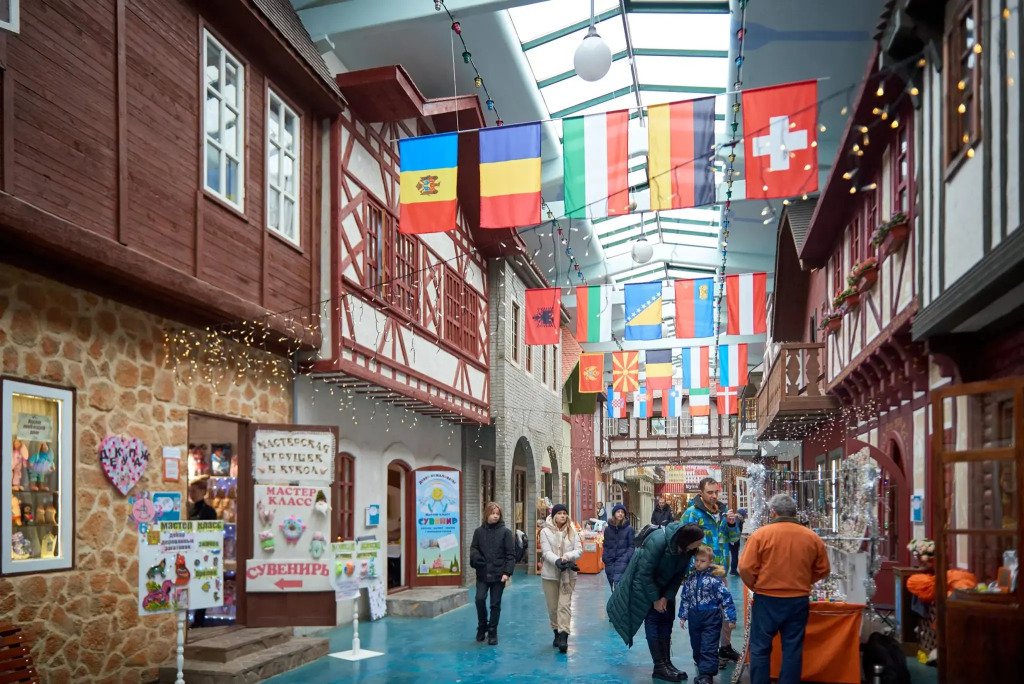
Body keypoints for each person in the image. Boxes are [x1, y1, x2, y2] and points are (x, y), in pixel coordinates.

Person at [739, 494, 830, 684]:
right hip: (798, 600)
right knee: (792, 649)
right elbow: (823, 569)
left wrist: (755, 585)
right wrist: (805, 581)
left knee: (760, 648)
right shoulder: (811, 537)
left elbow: (745, 568)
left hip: (767, 599)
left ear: (773, 512)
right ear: (794, 513)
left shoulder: (761, 535)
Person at [607, 521, 705, 682]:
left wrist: (666, 597)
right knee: (654, 621)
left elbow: (679, 576)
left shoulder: (688, 550)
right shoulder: (659, 541)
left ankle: (667, 663)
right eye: (698, 542)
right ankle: (659, 666)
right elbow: (644, 573)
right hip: (647, 587)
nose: (699, 545)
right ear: (688, 539)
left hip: (665, 589)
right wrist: (655, 599)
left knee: (666, 621)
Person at [681, 477, 741, 663]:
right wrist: (690, 571)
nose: (714, 496)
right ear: (701, 493)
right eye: (710, 492)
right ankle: (705, 655)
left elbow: (734, 538)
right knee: (706, 616)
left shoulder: (723, 512)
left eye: (716, 492)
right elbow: (682, 543)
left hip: (720, 571)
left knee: (724, 610)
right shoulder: (692, 514)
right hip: (700, 573)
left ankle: (725, 648)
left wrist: (731, 524)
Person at [678, 545, 738, 684]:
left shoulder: (715, 580)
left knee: (709, 646)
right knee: (696, 645)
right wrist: (683, 616)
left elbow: (726, 598)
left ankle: (706, 676)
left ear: (710, 562)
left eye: (703, 561)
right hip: (694, 617)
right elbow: (685, 597)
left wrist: (731, 618)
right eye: (696, 560)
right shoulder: (691, 579)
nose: (698, 563)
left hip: (711, 617)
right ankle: (702, 671)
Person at [469, 502, 516, 645]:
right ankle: (482, 626)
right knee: (479, 599)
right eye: (492, 513)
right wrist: (476, 558)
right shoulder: (478, 532)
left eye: (498, 514)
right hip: (482, 573)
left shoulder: (506, 532)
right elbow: (474, 548)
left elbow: (510, 554)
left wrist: (507, 572)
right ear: (486, 514)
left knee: (495, 604)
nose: (495, 516)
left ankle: (492, 631)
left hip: (499, 574)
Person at [540, 503, 583, 654]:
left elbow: (579, 550)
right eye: (559, 513)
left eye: (564, 513)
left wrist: (567, 557)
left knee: (564, 605)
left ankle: (564, 636)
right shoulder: (545, 531)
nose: (562, 516)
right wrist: (557, 561)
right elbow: (546, 552)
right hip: (550, 574)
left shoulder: (572, 531)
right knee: (553, 608)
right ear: (554, 516)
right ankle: (556, 633)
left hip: (568, 576)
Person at [187, 478, 217, 627]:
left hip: (204, 553)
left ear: (203, 492)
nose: (191, 493)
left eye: (194, 491)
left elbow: (211, 534)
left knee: (202, 585)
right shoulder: (188, 509)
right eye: (190, 491)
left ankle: (199, 621)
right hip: (188, 552)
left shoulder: (209, 511)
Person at [602, 503, 635, 591]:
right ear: (614, 514)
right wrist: (605, 557)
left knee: (619, 587)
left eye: (622, 512)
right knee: (612, 585)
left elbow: (631, 547)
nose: (620, 513)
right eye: (618, 512)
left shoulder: (629, 529)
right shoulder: (608, 530)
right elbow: (605, 545)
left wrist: (626, 558)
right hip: (610, 561)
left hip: (623, 561)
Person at [729, 508, 747, 576]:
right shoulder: (737, 519)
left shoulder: (738, 518)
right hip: (734, 540)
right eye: (745, 514)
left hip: (734, 539)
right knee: (735, 555)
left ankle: (733, 570)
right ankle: (733, 571)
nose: (745, 516)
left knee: (734, 555)